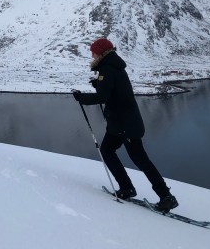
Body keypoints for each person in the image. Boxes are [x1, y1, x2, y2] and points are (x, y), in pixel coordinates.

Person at [72, 38, 179, 213]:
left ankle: (166, 197)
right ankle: (127, 187)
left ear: (101, 52)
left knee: (140, 159)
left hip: (125, 124)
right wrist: (98, 84)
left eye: (93, 51)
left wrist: (81, 98)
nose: (91, 54)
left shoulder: (107, 68)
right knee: (108, 150)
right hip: (120, 122)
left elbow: (103, 97)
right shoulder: (112, 66)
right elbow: (112, 91)